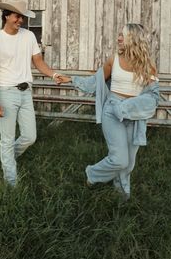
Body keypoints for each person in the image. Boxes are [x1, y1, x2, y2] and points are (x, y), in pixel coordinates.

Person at [58, 23, 159, 200]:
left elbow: (153, 94)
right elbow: (95, 82)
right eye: (119, 34)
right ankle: (92, 174)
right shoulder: (114, 60)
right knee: (120, 159)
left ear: (133, 38)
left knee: (129, 163)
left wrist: (134, 104)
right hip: (112, 111)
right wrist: (71, 79)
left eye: (122, 35)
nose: (118, 38)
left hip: (133, 114)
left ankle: (122, 194)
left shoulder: (148, 65)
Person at [0, 0, 59, 186]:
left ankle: (7, 158)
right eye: (18, 16)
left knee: (29, 136)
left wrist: (54, 74)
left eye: (23, 17)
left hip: (26, 93)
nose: (21, 21)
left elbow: (39, 62)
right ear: (7, 16)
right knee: (7, 139)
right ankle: (11, 183)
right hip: (6, 92)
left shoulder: (29, 36)